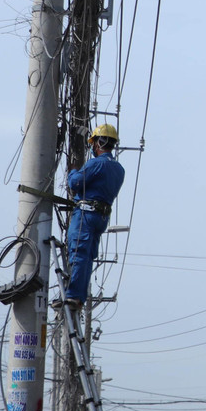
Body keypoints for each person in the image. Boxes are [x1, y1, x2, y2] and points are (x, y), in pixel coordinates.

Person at [62, 123, 126, 310]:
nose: (93, 146)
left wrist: (73, 169)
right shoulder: (119, 169)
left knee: (78, 253)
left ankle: (73, 296)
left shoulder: (96, 163)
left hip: (86, 215)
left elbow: (75, 183)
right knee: (87, 256)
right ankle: (78, 297)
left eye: (95, 142)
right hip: (101, 218)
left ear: (100, 141)